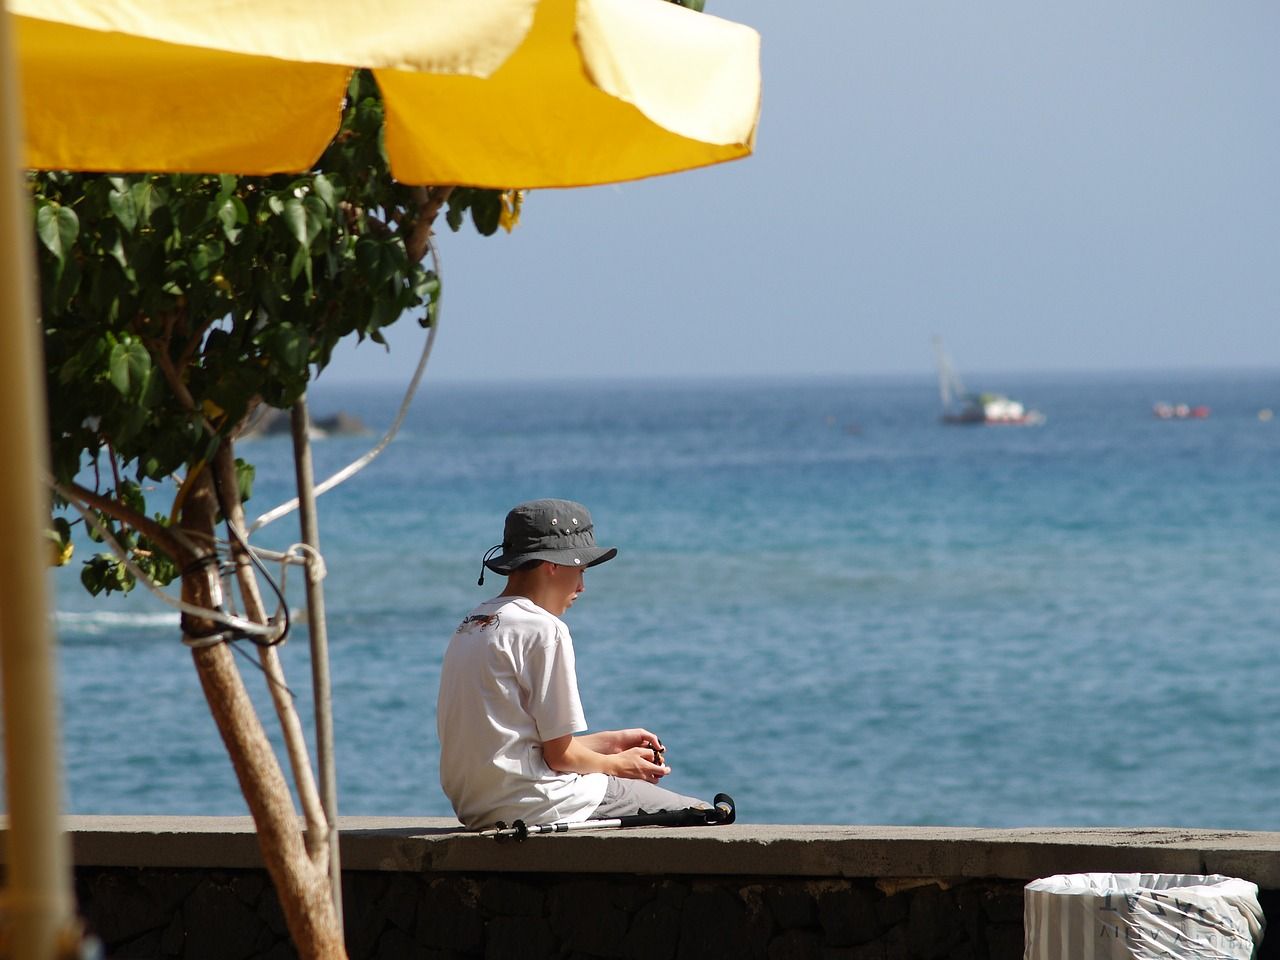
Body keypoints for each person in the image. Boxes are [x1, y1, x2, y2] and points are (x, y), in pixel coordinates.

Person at [437, 498, 708, 830]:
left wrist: (610, 741)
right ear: (552, 565)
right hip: (537, 803)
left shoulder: (473, 622)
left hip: (478, 807)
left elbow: (514, 745)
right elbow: (559, 758)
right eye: (579, 570)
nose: (582, 586)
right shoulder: (543, 628)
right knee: (705, 814)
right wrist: (620, 765)